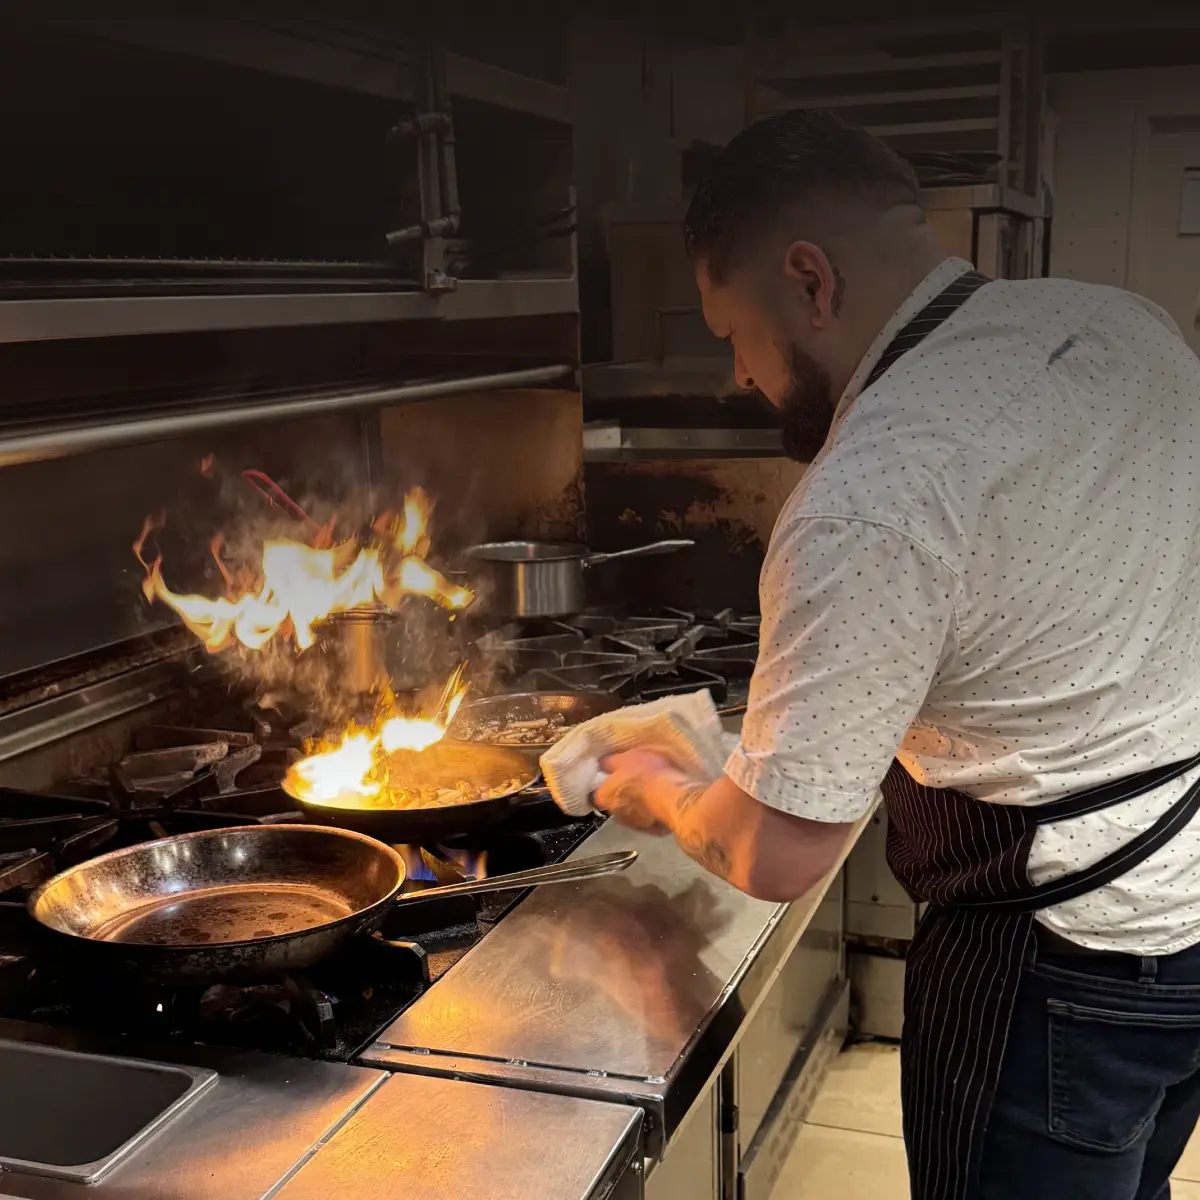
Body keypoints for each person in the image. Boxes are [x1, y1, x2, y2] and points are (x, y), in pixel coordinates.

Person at [594, 108, 1200, 1200]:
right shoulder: (1125, 325)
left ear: (810, 281)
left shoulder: (872, 489)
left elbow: (777, 857)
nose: (738, 374)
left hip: (1062, 960)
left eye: (733, 331)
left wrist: (662, 788)